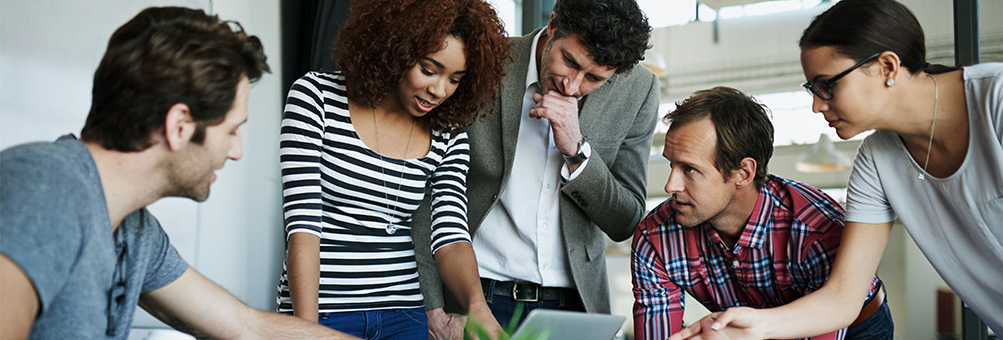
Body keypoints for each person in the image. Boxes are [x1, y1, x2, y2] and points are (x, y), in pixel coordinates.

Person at [673, 0, 1003, 339]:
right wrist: (756, 323)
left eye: (826, 86)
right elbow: (843, 299)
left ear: (887, 66)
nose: (816, 105)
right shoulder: (878, 160)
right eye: (811, 88)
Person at [0, 7, 356, 340]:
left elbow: (244, 325)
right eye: (232, 130)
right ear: (180, 126)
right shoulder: (45, 188)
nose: (237, 151)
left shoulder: (133, 230)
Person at [409, 0, 657, 338]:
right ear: (553, 25)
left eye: (595, 79)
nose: (572, 86)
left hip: (573, 304)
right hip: (476, 295)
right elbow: (428, 187)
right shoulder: (486, 61)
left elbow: (625, 220)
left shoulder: (639, 90)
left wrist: (577, 151)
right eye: (569, 61)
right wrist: (431, 305)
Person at [274, 0, 510, 339]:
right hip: (322, 311)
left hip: (404, 315)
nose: (439, 90)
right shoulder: (317, 98)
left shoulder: (448, 133)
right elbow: (303, 228)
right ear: (396, 48)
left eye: (455, 79)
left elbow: (450, 235)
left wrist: (477, 307)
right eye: (429, 70)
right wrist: (308, 331)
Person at [633, 87, 893, 340]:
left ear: (743, 173)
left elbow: (827, 323)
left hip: (855, 327)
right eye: (671, 164)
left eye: (689, 169)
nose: (670, 185)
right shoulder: (654, 237)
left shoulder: (818, 229)